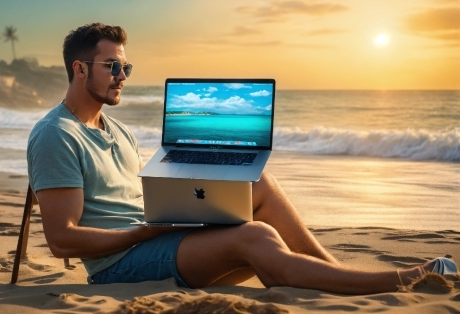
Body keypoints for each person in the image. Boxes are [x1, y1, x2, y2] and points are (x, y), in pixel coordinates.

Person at [27, 22, 456, 295]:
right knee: (255, 236)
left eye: (126, 68)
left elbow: (136, 198)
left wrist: (191, 198)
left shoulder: (116, 129)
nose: (122, 78)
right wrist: (144, 232)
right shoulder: (56, 136)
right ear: (80, 70)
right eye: (112, 68)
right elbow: (64, 239)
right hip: (117, 267)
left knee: (256, 184)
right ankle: (397, 280)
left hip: (155, 239)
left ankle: (331, 274)